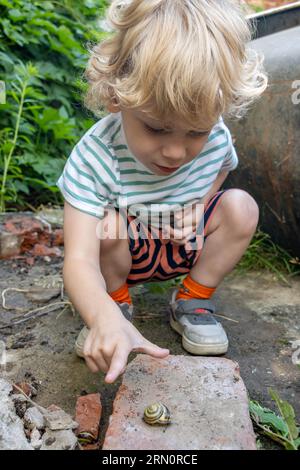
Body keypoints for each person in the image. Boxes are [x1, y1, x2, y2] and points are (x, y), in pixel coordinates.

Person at [56, 0, 267, 384]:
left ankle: (192, 299)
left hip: (181, 246)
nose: (175, 152)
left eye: (196, 132)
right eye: (155, 128)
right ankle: (115, 309)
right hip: (124, 256)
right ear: (116, 96)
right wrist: (99, 313)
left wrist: (200, 206)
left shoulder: (216, 136)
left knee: (242, 207)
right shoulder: (95, 157)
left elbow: (222, 165)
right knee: (105, 225)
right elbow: (79, 260)